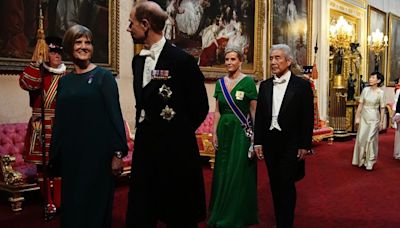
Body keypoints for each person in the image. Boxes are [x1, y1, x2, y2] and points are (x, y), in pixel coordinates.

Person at [125, 1, 209, 227]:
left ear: (145, 24)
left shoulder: (182, 61)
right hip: (145, 150)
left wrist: (177, 132)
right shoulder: (138, 61)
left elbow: (200, 106)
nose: (128, 28)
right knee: (143, 212)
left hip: (176, 151)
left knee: (178, 214)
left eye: (131, 23)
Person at [49, 24, 128, 228]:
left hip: (98, 159)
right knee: (72, 209)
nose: (84, 47)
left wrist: (118, 153)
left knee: (95, 211)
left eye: (88, 42)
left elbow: (115, 117)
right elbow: (61, 121)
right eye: (78, 42)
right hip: (71, 159)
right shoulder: (64, 82)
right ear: (69, 46)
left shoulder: (104, 77)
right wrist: (55, 156)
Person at [253, 44, 314, 228]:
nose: (273, 62)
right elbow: (260, 117)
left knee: (287, 184)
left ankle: (285, 223)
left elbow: (307, 117)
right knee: (275, 184)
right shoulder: (264, 86)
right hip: (271, 143)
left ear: (288, 61)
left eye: (277, 58)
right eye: (271, 58)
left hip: (291, 143)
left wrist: (305, 144)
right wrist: (258, 142)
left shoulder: (302, 85)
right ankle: (280, 221)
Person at [207, 45, 258, 227]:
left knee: (238, 171)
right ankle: (220, 210)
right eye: (227, 59)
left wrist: (256, 139)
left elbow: (254, 112)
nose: (229, 62)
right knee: (222, 171)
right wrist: (214, 132)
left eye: (233, 59)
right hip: (223, 130)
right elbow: (218, 111)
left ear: (240, 61)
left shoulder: (248, 82)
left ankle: (236, 213)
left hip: (241, 132)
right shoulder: (220, 83)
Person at [19, 36, 66, 219]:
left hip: (60, 126)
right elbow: (25, 83)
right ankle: (48, 202)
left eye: (59, 53)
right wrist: (36, 62)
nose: (57, 56)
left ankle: (60, 202)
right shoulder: (38, 75)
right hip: (40, 127)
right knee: (43, 168)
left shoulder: (66, 77)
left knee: (60, 167)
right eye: (52, 52)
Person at [352, 72, 386, 171]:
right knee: (362, 138)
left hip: (374, 118)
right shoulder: (365, 90)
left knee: (370, 139)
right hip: (364, 117)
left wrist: (381, 122)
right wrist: (357, 118)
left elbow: (382, 108)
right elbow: (360, 105)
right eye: (370, 77)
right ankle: (362, 160)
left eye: (373, 77)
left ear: (378, 81)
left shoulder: (381, 93)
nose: (370, 79)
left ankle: (370, 161)